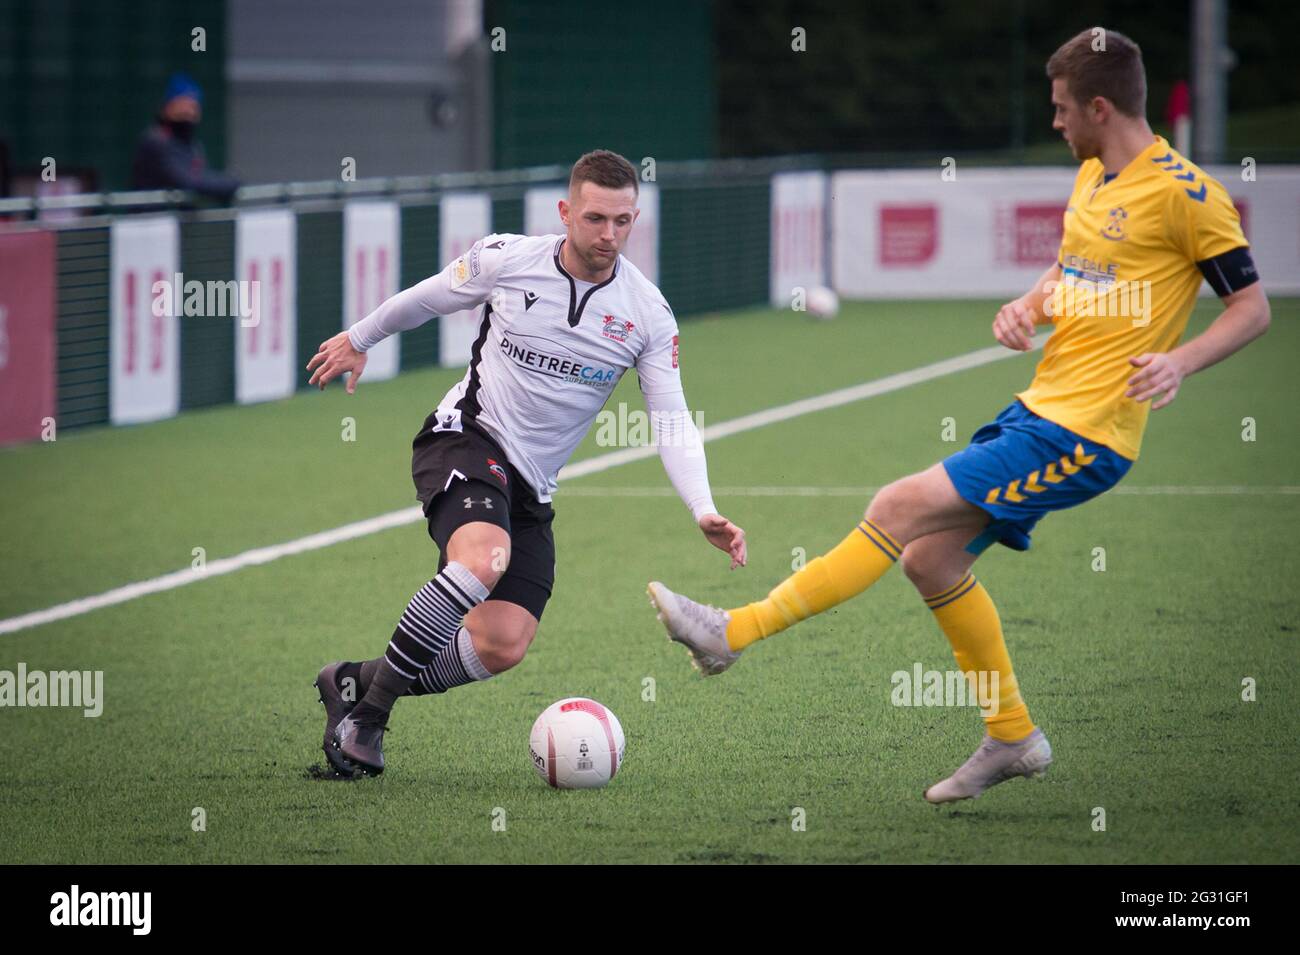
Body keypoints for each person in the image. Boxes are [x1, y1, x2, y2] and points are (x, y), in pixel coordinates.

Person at [648, 28, 1270, 804]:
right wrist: (1029, 306)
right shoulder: (1093, 176)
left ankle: (728, 634)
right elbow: (1072, 267)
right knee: (929, 559)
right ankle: (1013, 735)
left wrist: (1180, 360)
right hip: (1038, 410)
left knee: (895, 506)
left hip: (1089, 433)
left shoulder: (1188, 195)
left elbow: (1251, 307)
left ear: (1100, 106)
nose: (1055, 122)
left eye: (1062, 108)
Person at [307, 149, 747, 776]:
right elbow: (426, 299)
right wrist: (358, 339)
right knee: (484, 559)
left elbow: (671, 416)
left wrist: (703, 508)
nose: (609, 235)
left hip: (532, 485)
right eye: (595, 218)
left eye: (623, 221)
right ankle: (367, 722)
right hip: (465, 437)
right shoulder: (507, 259)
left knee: (502, 643)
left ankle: (351, 683)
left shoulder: (647, 312)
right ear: (565, 211)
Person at [131, 72, 239, 201]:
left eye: (193, 107)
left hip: (179, 218)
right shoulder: (155, 141)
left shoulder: (193, 145)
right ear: (167, 107)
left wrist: (229, 181)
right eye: (182, 106)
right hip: (149, 218)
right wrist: (231, 183)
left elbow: (202, 175)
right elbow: (187, 181)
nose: (188, 112)